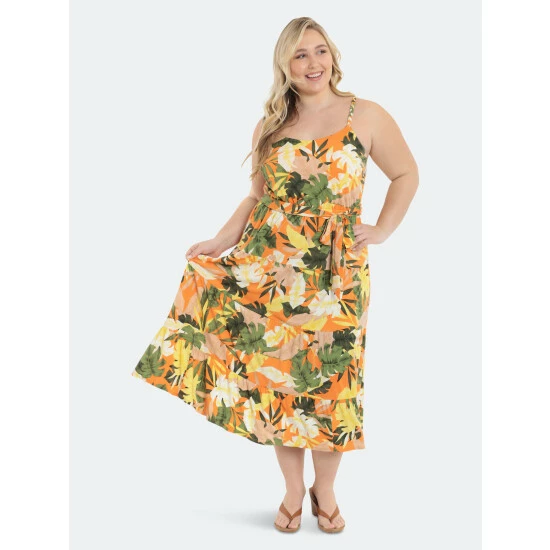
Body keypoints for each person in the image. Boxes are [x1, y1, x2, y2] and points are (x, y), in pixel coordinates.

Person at [131, 17, 419, 534]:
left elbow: (406, 174)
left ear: (333, 55)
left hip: (337, 274)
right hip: (271, 268)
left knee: (331, 384)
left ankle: (325, 490)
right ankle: (291, 490)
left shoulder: (365, 114)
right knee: (282, 382)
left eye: (320, 50)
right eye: (300, 54)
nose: (312, 63)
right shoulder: (272, 126)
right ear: (285, 64)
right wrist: (221, 240)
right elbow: (257, 198)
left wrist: (382, 228)